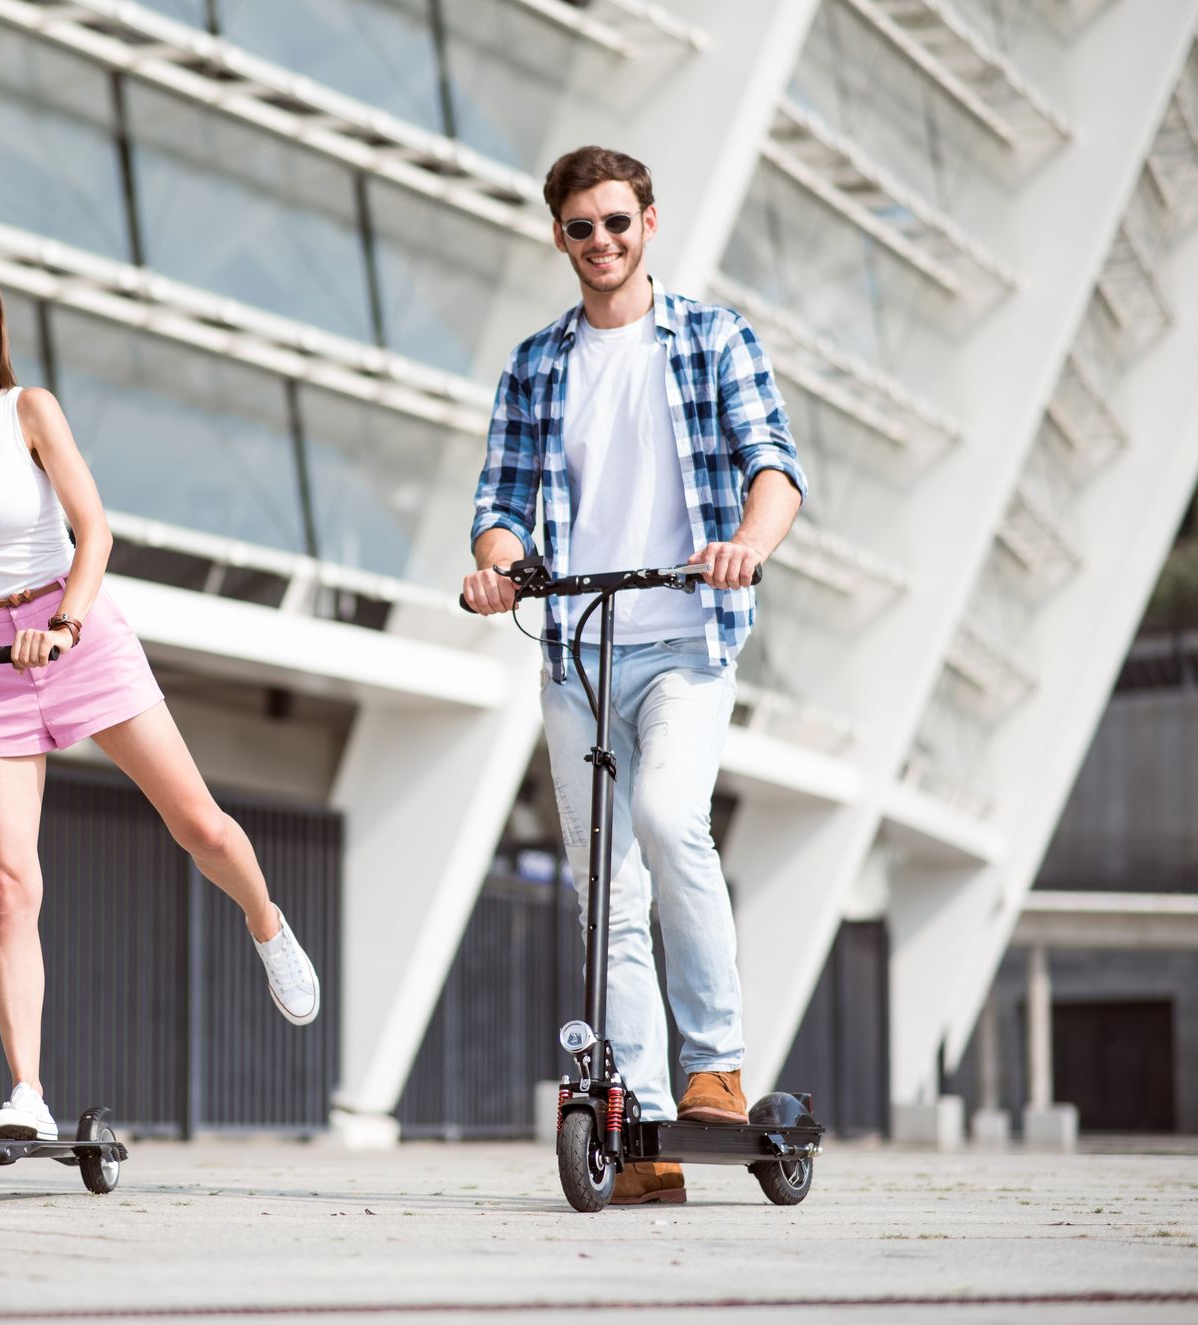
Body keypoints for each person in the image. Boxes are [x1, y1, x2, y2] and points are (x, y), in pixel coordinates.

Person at [0, 250, 321, 1143]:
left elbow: (94, 531)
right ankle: (26, 1091)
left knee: (199, 824)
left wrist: (65, 623)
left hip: (72, 627)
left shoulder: (30, 412)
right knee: (10, 883)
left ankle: (265, 920)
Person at [461, 147, 806, 1206]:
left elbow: (772, 469)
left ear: (648, 223)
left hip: (685, 640)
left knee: (665, 816)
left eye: (617, 222)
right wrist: (494, 568)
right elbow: (499, 504)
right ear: (558, 237)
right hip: (575, 646)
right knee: (602, 889)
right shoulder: (533, 364)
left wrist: (746, 542)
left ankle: (714, 1065)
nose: (600, 242)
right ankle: (638, 1113)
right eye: (580, 228)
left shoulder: (711, 338)